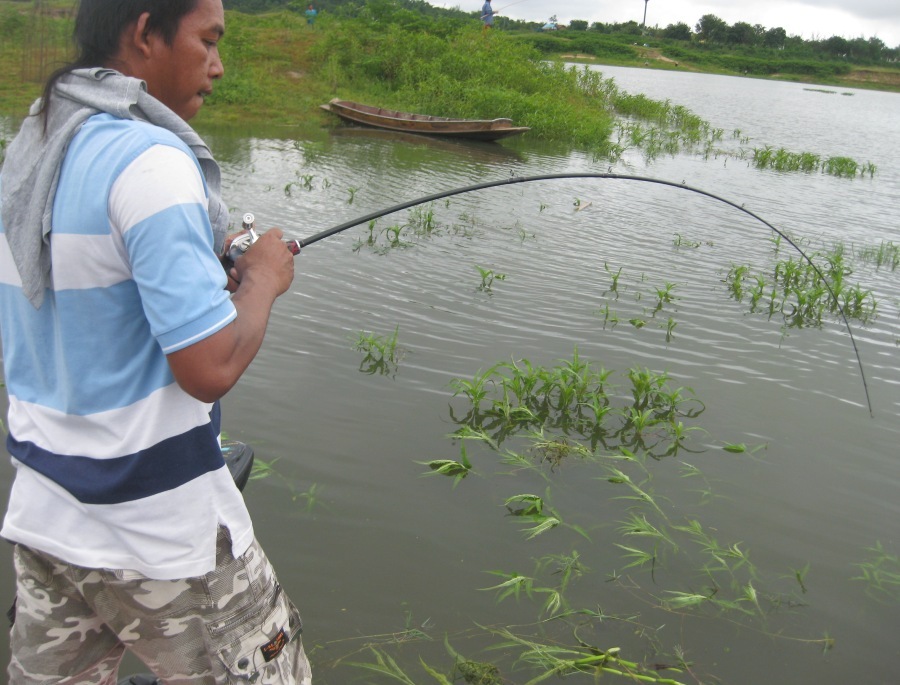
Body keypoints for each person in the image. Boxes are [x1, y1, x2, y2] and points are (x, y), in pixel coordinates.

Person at [0, 0, 312, 683]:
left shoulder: (33, 150)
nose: (218, 66)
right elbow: (209, 365)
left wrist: (214, 250)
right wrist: (260, 276)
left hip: (46, 520)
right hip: (160, 537)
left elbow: (99, 281)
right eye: (207, 41)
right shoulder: (152, 160)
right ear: (146, 32)